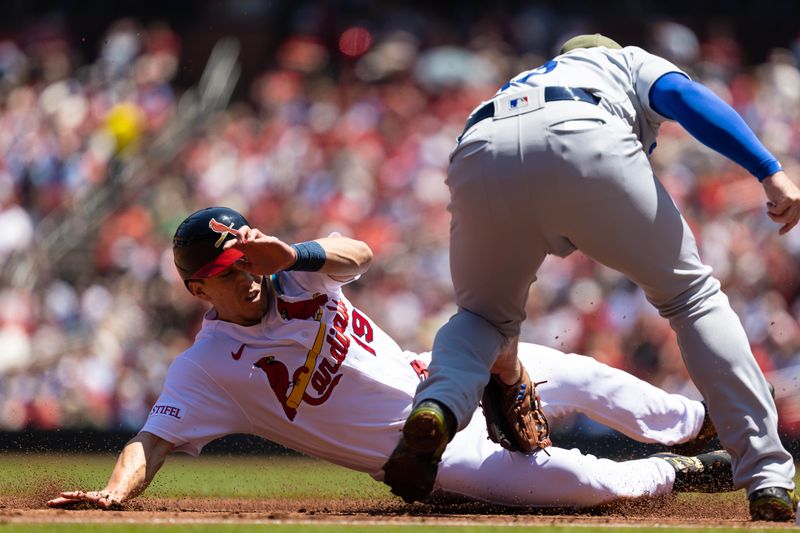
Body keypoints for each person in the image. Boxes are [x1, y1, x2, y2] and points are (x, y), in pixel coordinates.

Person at [48, 207, 735, 511]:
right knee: (575, 484)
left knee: (581, 372)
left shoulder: (294, 274)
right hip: (428, 459)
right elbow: (154, 438)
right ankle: (676, 473)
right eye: (229, 271)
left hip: (440, 383)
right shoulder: (206, 366)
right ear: (198, 287)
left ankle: (708, 424)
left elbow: (360, 253)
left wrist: (295, 252)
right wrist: (114, 491)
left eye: (247, 258)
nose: (247, 274)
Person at [382, 34, 799, 522]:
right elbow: (685, 97)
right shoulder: (620, 60)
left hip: (481, 145)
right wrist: (768, 169)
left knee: (480, 319)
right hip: (581, 130)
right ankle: (767, 473)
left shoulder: (521, 80)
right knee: (691, 298)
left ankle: (435, 408)